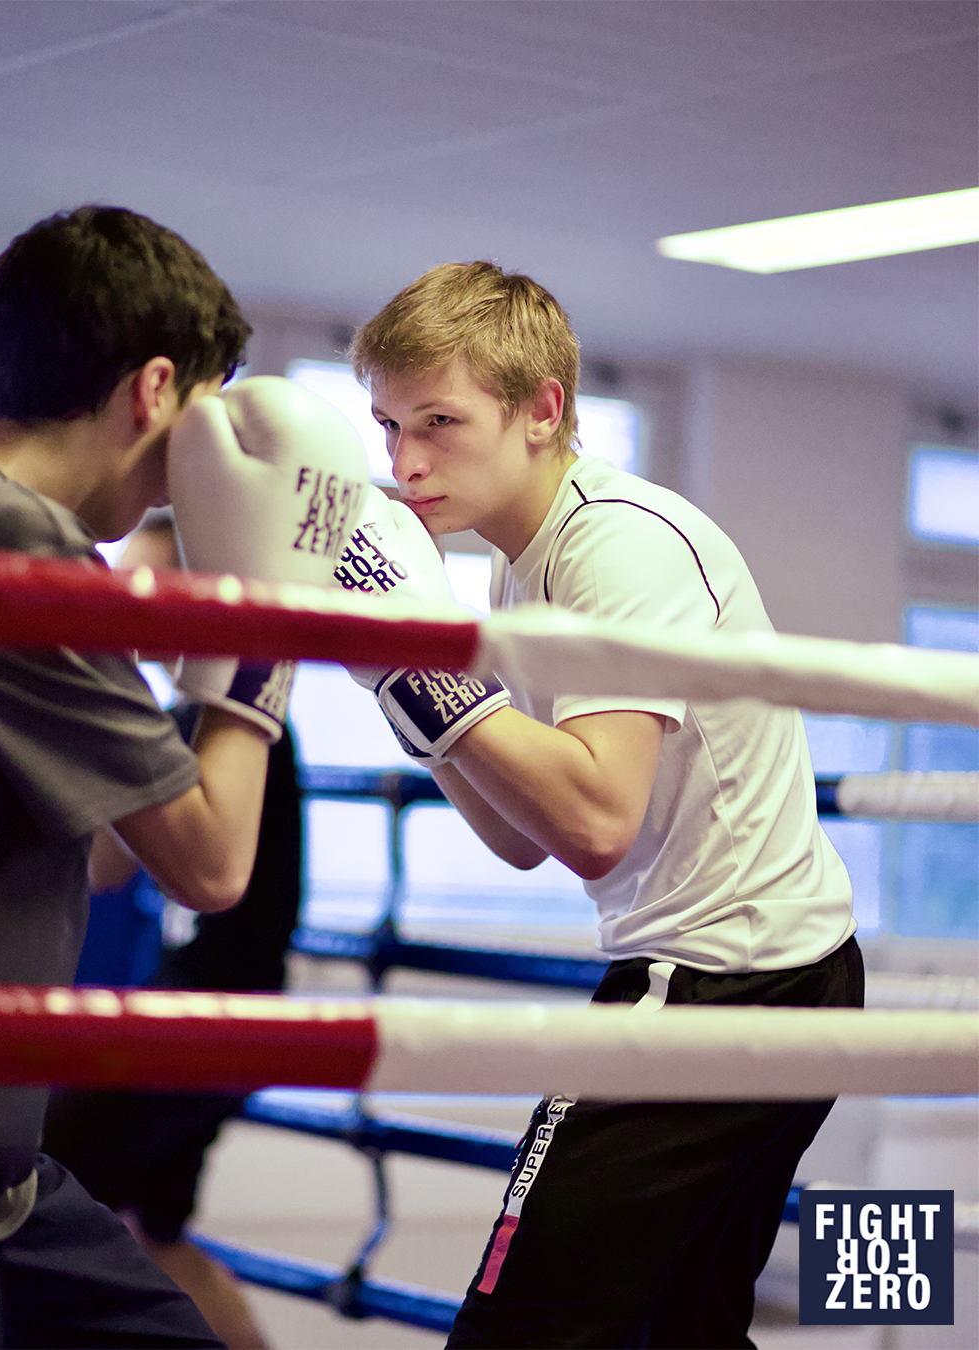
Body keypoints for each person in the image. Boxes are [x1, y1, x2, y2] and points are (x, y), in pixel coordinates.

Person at [340, 261, 863, 1349]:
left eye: (440, 420)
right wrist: (399, 680)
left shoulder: (618, 543)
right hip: (755, 974)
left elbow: (592, 825)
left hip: (725, 980)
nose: (407, 461)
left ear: (542, 410)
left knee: (514, 1326)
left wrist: (425, 673)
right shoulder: (518, 573)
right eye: (388, 426)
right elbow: (518, 835)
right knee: (686, 1331)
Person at [0, 205, 367, 1349]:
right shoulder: (14, 548)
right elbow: (209, 862)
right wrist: (262, 621)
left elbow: (105, 851)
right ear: (156, 391)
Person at [43, 514, 303, 1350]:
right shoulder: (207, 716)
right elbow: (112, 865)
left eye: (151, 592)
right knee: (155, 1234)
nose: (134, 610)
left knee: (39, 1182)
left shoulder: (219, 722)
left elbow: (112, 867)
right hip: (208, 1012)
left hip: (213, 1019)